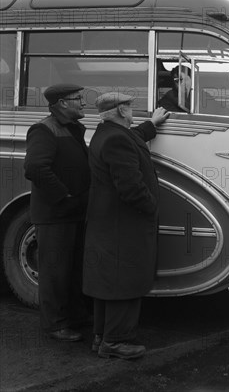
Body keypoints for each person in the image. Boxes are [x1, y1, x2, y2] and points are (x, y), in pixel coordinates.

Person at [83, 93, 169, 360]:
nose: (133, 111)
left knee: (108, 282)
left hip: (110, 223)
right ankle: (116, 342)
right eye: (130, 107)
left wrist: (152, 123)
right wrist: (151, 206)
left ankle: (101, 336)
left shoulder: (107, 133)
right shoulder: (117, 139)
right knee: (125, 281)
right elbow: (130, 186)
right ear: (121, 110)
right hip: (125, 224)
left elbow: (135, 137)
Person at [23, 83, 90, 342]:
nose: (83, 103)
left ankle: (75, 316)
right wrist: (64, 197)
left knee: (73, 270)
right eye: (78, 99)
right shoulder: (44, 129)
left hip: (73, 213)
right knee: (55, 272)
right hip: (55, 214)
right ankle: (55, 324)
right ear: (62, 103)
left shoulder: (72, 128)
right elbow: (35, 168)